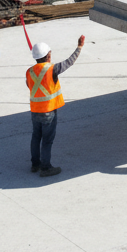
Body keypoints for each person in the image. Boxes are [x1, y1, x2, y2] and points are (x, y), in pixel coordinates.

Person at [27, 36, 84, 177]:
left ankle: (35, 164)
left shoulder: (29, 71)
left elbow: (29, 86)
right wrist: (79, 47)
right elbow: (69, 62)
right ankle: (46, 168)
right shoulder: (52, 69)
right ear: (48, 55)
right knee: (47, 140)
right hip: (49, 112)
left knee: (36, 137)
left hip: (35, 111)